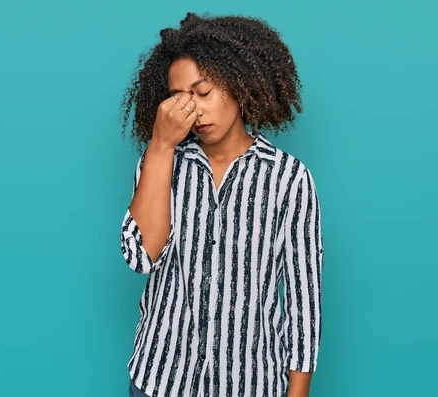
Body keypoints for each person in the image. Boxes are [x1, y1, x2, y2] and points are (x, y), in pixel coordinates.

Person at [120, 12, 324, 397]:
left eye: (202, 92)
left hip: (250, 383)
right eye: (179, 96)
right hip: (161, 380)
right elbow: (141, 256)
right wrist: (161, 146)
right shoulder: (160, 164)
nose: (192, 109)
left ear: (237, 84)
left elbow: (303, 306)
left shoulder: (289, 180)